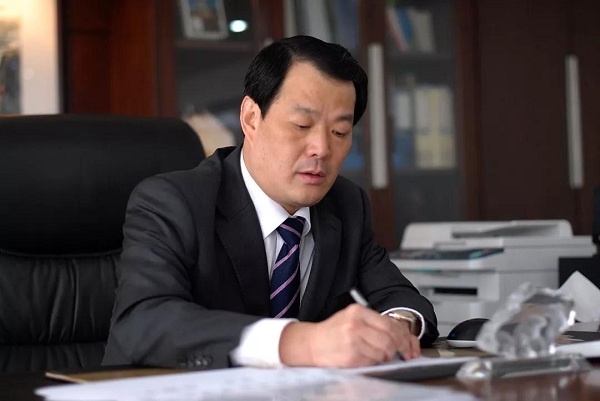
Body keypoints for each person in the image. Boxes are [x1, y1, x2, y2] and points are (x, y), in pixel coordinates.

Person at [102, 35, 439, 370]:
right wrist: (299, 342)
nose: (322, 149)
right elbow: (144, 322)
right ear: (251, 118)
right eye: (302, 125)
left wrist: (395, 327)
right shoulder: (173, 202)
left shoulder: (346, 204)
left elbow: (400, 298)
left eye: (339, 132)